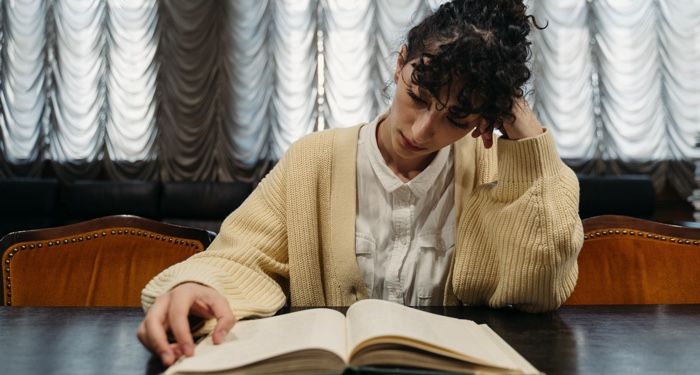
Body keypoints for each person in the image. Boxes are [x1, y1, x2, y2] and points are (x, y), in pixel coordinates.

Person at [137, 0, 583, 366]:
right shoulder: (315, 160)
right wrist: (197, 288)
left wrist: (525, 133)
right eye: (418, 97)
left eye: (457, 118)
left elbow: (541, 287)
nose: (424, 130)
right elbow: (240, 256)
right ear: (400, 63)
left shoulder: (496, 170)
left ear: (484, 118)